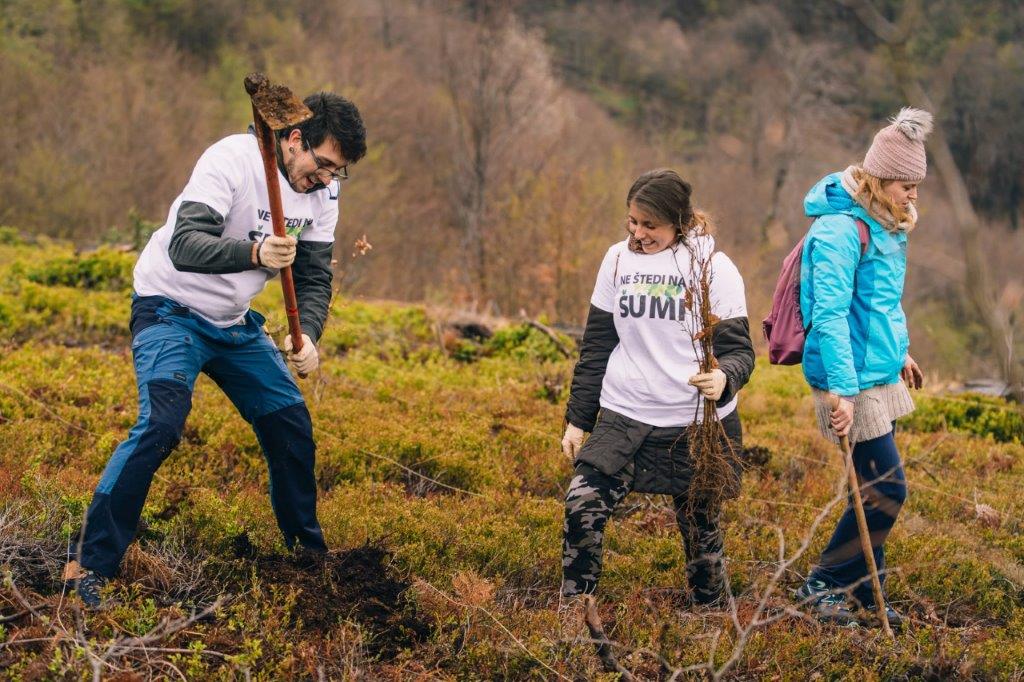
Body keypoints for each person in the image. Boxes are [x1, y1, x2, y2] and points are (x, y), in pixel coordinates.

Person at [64, 91, 367, 609]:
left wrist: (309, 335)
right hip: (170, 308)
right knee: (161, 425)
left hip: (233, 324)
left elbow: (314, 277)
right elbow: (185, 244)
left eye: (337, 173)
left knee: (290, 425)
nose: (325, 180)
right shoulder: (231, 160)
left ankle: (308, 560)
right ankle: (88, 565)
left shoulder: (323, 195)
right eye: (322, 165)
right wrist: (255, 252)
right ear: (295, 140)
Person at [559, 169, 755, 612]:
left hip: (694, 423)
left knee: (701, 530)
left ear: (679, 223)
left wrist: (724, 378)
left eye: (651, 225)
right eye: (633, 221)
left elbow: (739, 352)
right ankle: (575, 612)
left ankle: (711, 617)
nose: (638, 234)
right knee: (582, 506)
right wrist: (577, 420)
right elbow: (597, 345)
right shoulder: (616, 261)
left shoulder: (712, 268)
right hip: (625, 414)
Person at [795, 108, 930, 627]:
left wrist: (901, 353)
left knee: (875, 490)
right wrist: (843, 393)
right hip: (847, 379)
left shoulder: (887, 226)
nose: (912, 195)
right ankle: (822, 585)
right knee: (888, 490)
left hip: (877, 372)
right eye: (905, 184)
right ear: (878, 177)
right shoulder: (839, 230)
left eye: (916, 185)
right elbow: (828, 316)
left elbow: (881, 304)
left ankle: (866, 588)